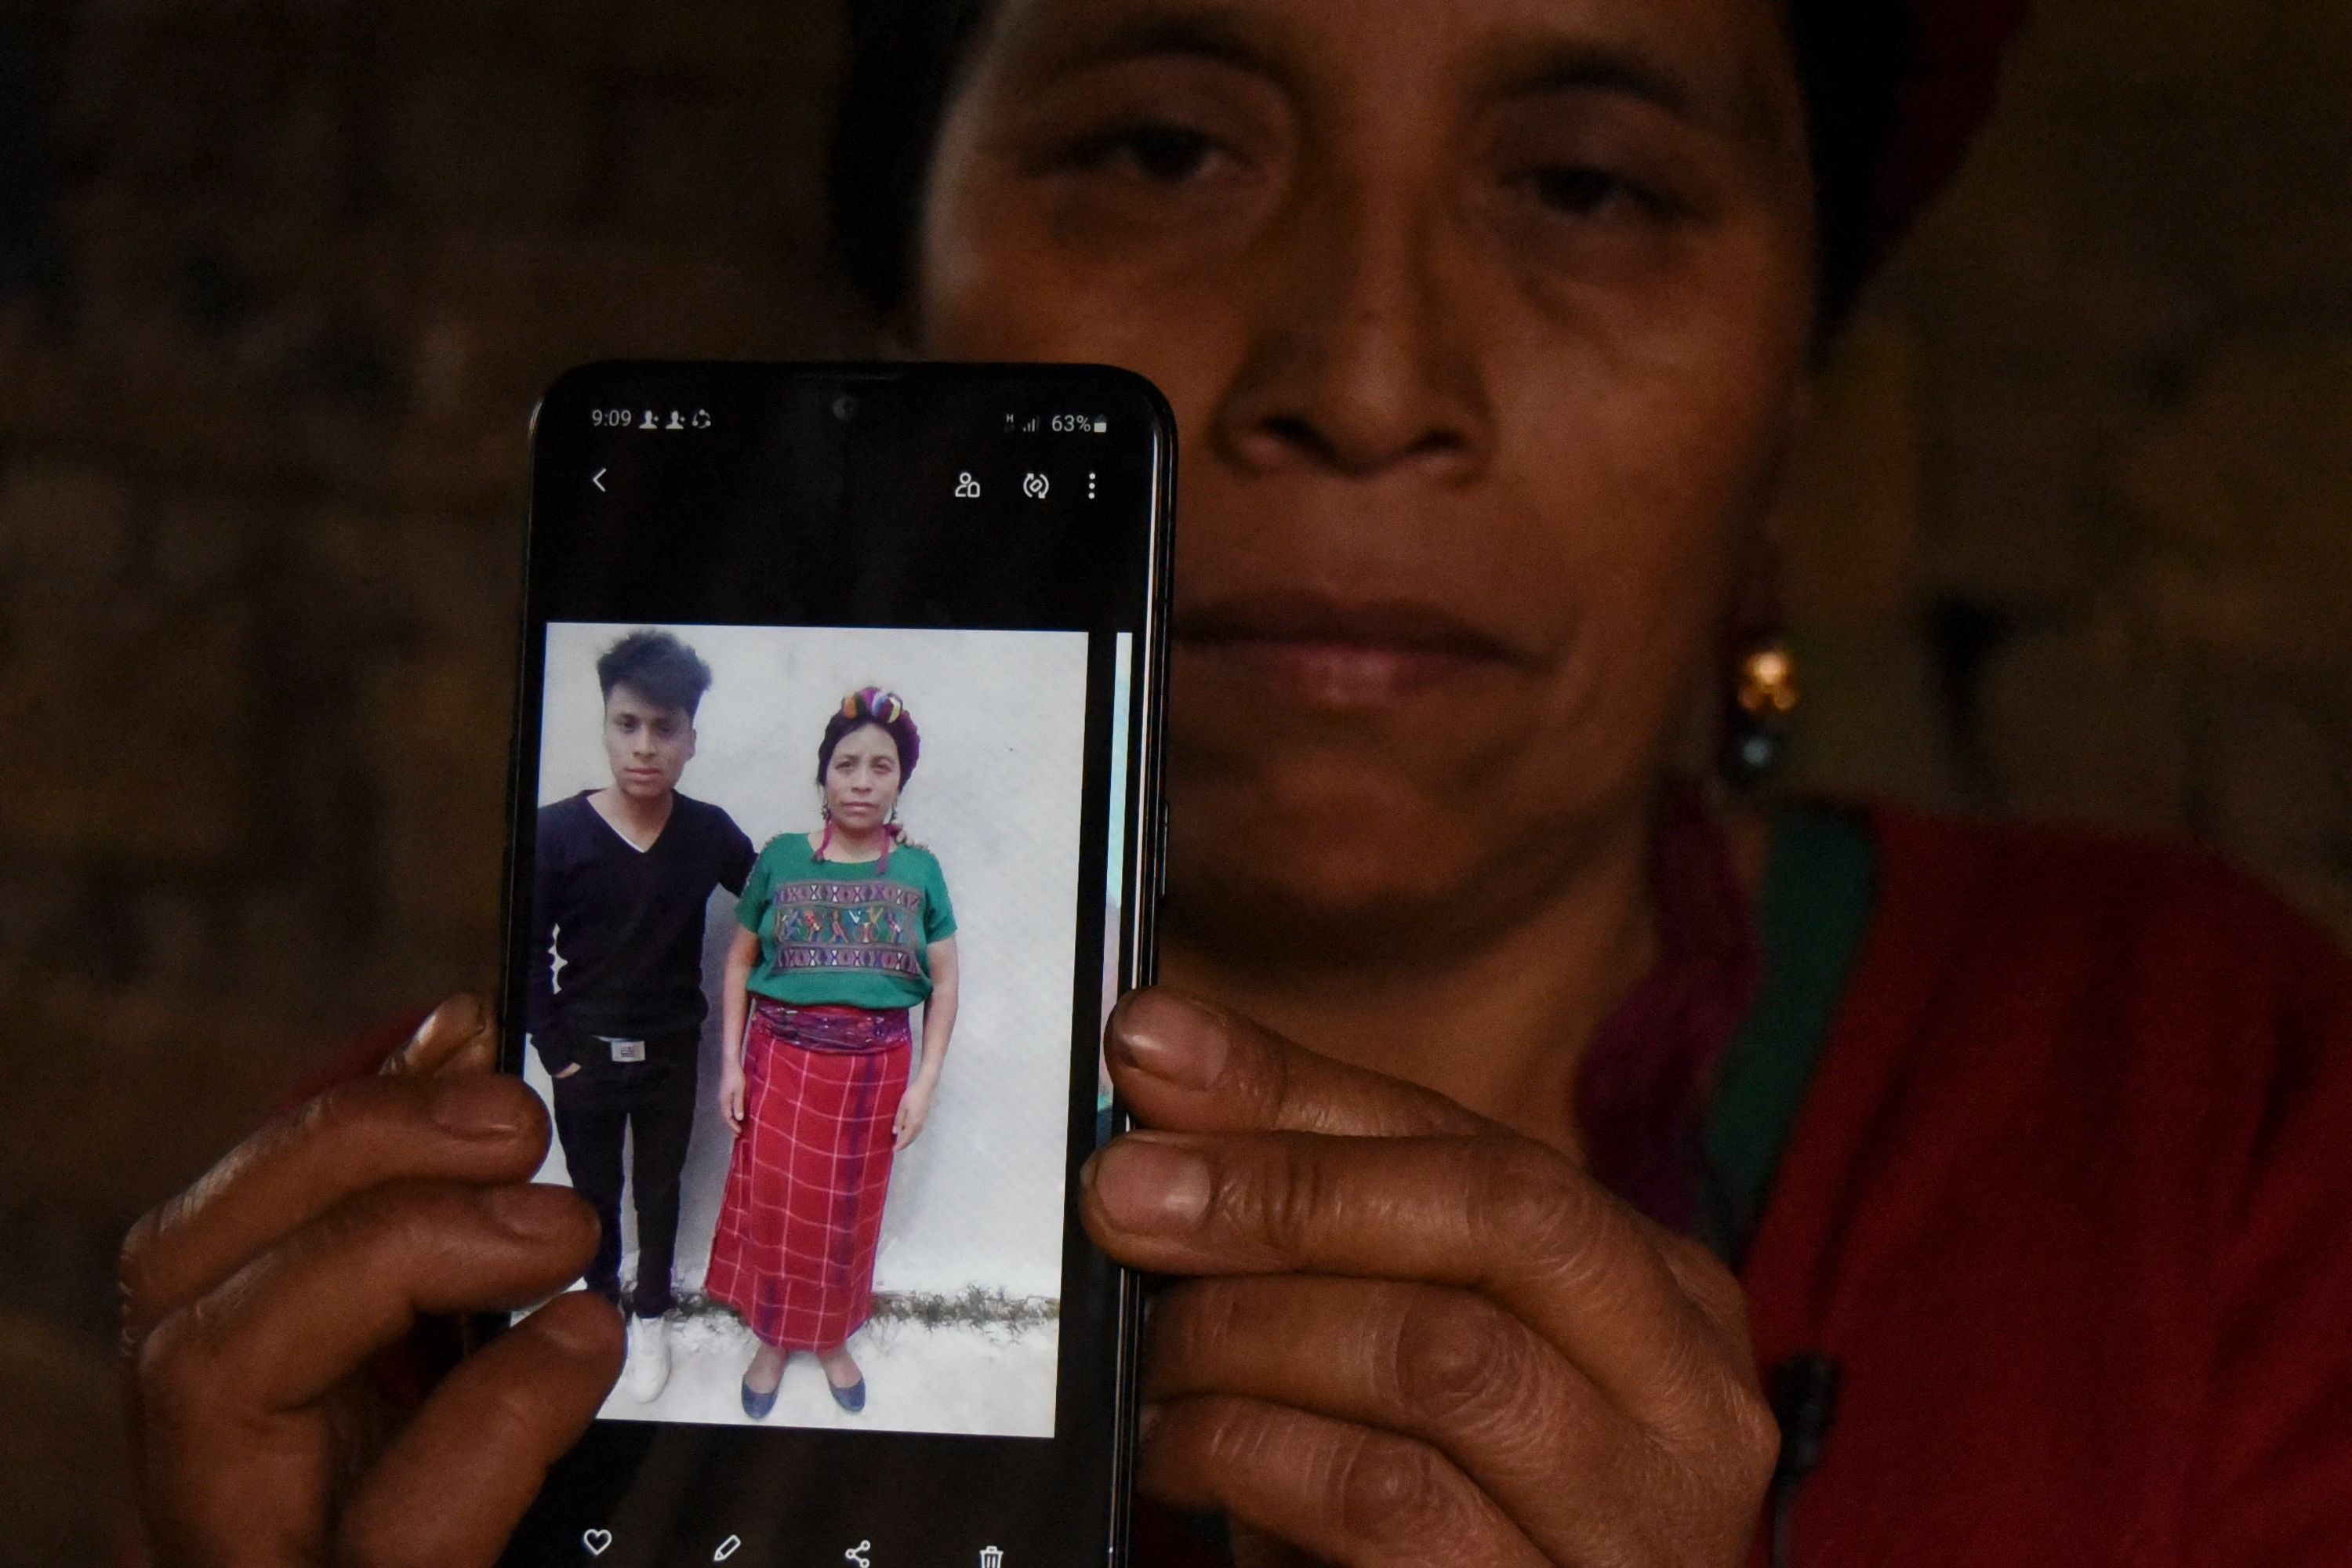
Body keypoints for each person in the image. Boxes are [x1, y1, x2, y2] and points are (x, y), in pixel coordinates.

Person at [118, 1, 2352, 1565]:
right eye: (1165, 147)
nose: (1367, 378)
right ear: (892, 304)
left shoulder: (2205, 1114)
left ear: (1791, 403)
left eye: (1586, 184)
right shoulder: (448, 1268)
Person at [706, 687, 959, 1419]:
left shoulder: (921, 874)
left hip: (874, 1074)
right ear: (823, 774)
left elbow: (944, 986)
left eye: (881, 767)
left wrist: (925, 1083)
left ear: (900, 781)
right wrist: (729, 1064)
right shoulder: (781, 861)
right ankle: (775, 1339)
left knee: (849, 1216)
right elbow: (736, 963)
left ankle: (832, 1338)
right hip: (779, 1064)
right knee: (778, 1209)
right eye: (846, 764)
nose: (861, 780)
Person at [528, 630, 755, 1403]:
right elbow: (523, 950)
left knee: (660, 1187)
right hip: (583, 1054)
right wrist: (555, 1048)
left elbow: (770, 900)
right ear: (604, 724)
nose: (646, 746)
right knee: (593, 1188)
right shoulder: (556, 833)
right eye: (628, 724)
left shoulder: (708, 831)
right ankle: (601, 1311)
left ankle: (651, 1315)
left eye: (666, 728)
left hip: (670, 1051)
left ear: (691, 736)